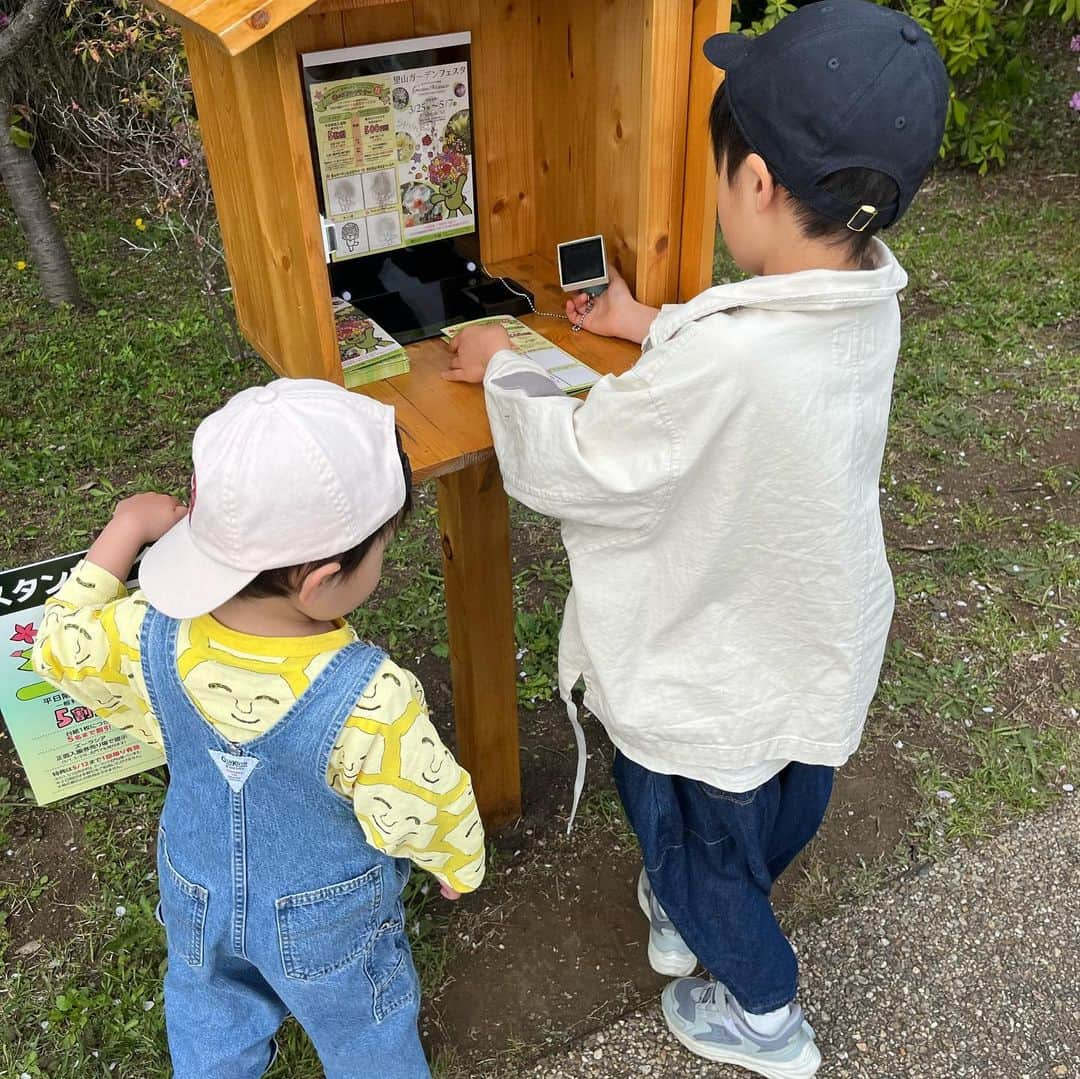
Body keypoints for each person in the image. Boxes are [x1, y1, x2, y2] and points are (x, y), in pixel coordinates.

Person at [442, 2, 947, 1075]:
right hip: (809, 645)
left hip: (716, 672)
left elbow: (584, 456)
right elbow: (754, 344)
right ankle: (697, 906)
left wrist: (508, 370)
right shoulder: (865, 296)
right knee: (757, 818)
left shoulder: (731, 362)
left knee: (688, 827)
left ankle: (764, 1009)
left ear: (754, 181)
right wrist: (645, 324)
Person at [33, 379, 484, 1079]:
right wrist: (458, 864)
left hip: (194, 885)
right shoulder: (372, 693)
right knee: (366, 1031)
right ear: (322, 579)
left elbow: (58, 642)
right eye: (383, 549)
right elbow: (425, 795)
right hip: (326, 917)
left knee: (208, 1018)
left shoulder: (145, 631)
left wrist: (125, 526)